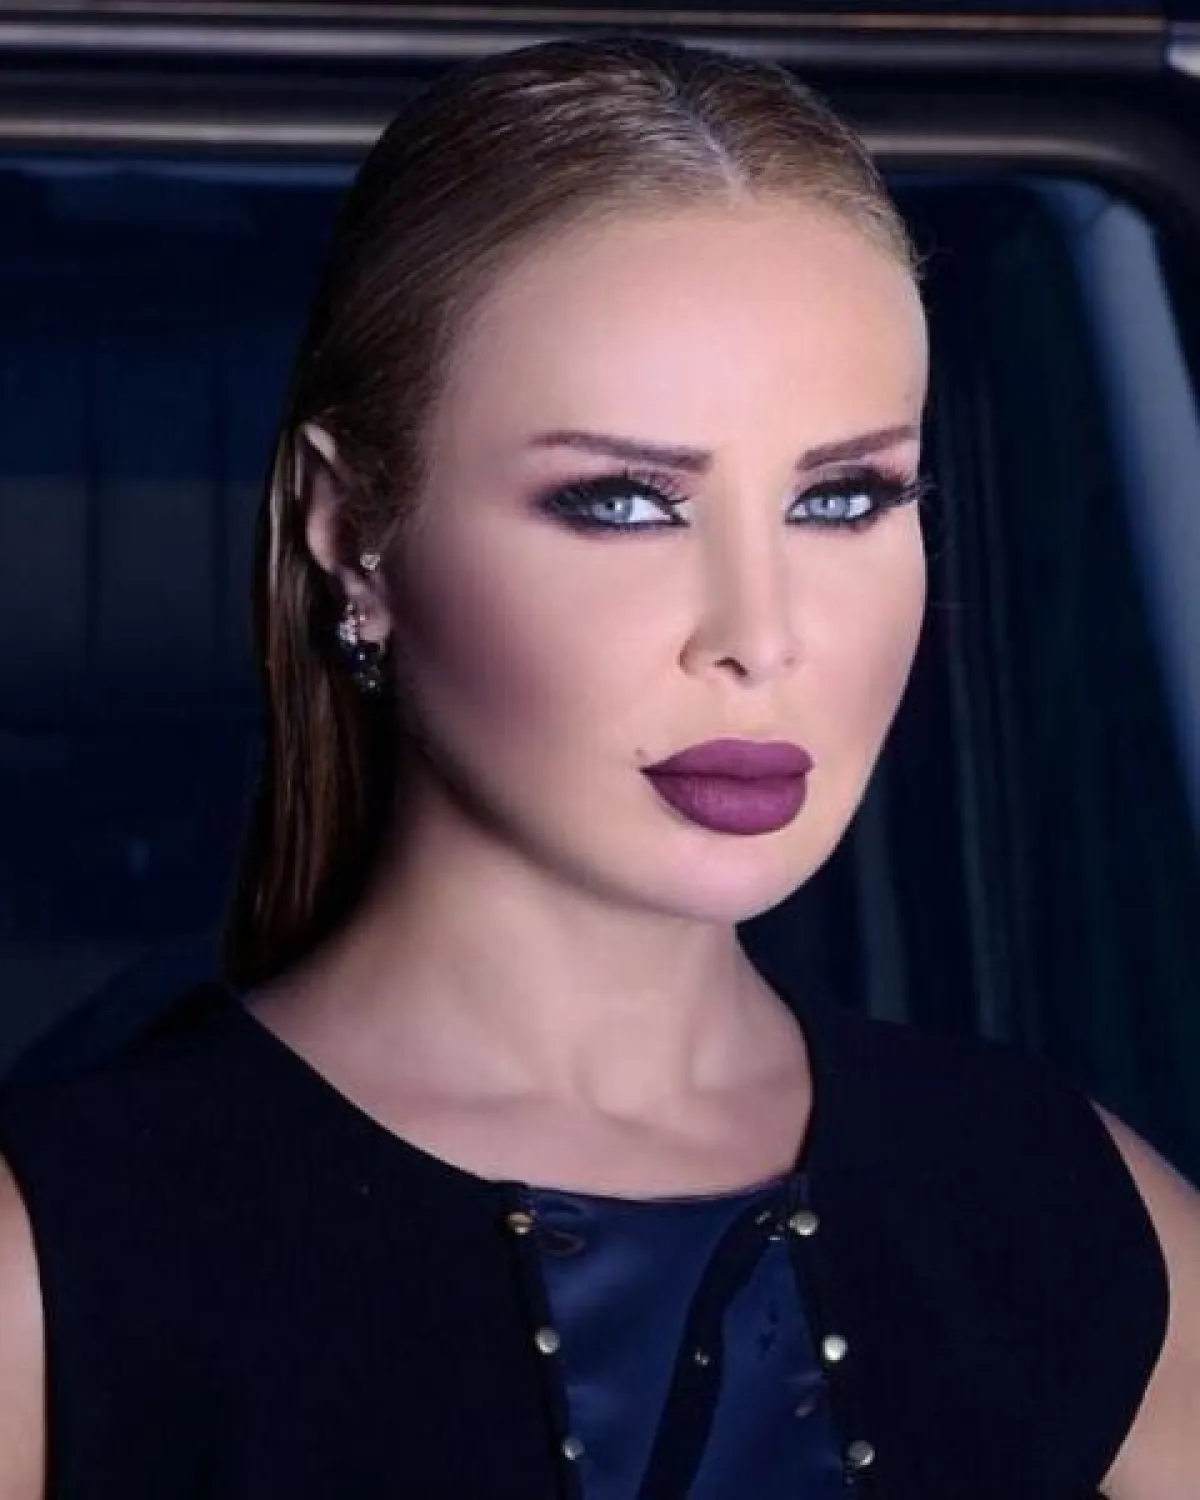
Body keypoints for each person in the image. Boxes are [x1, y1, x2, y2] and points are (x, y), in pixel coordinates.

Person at [0, 31, 1196, 1500]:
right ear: (351, 532)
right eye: (624, 502)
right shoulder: (54, 1267)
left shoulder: (1066, 1210)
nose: (759, 638)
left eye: (843, 498)